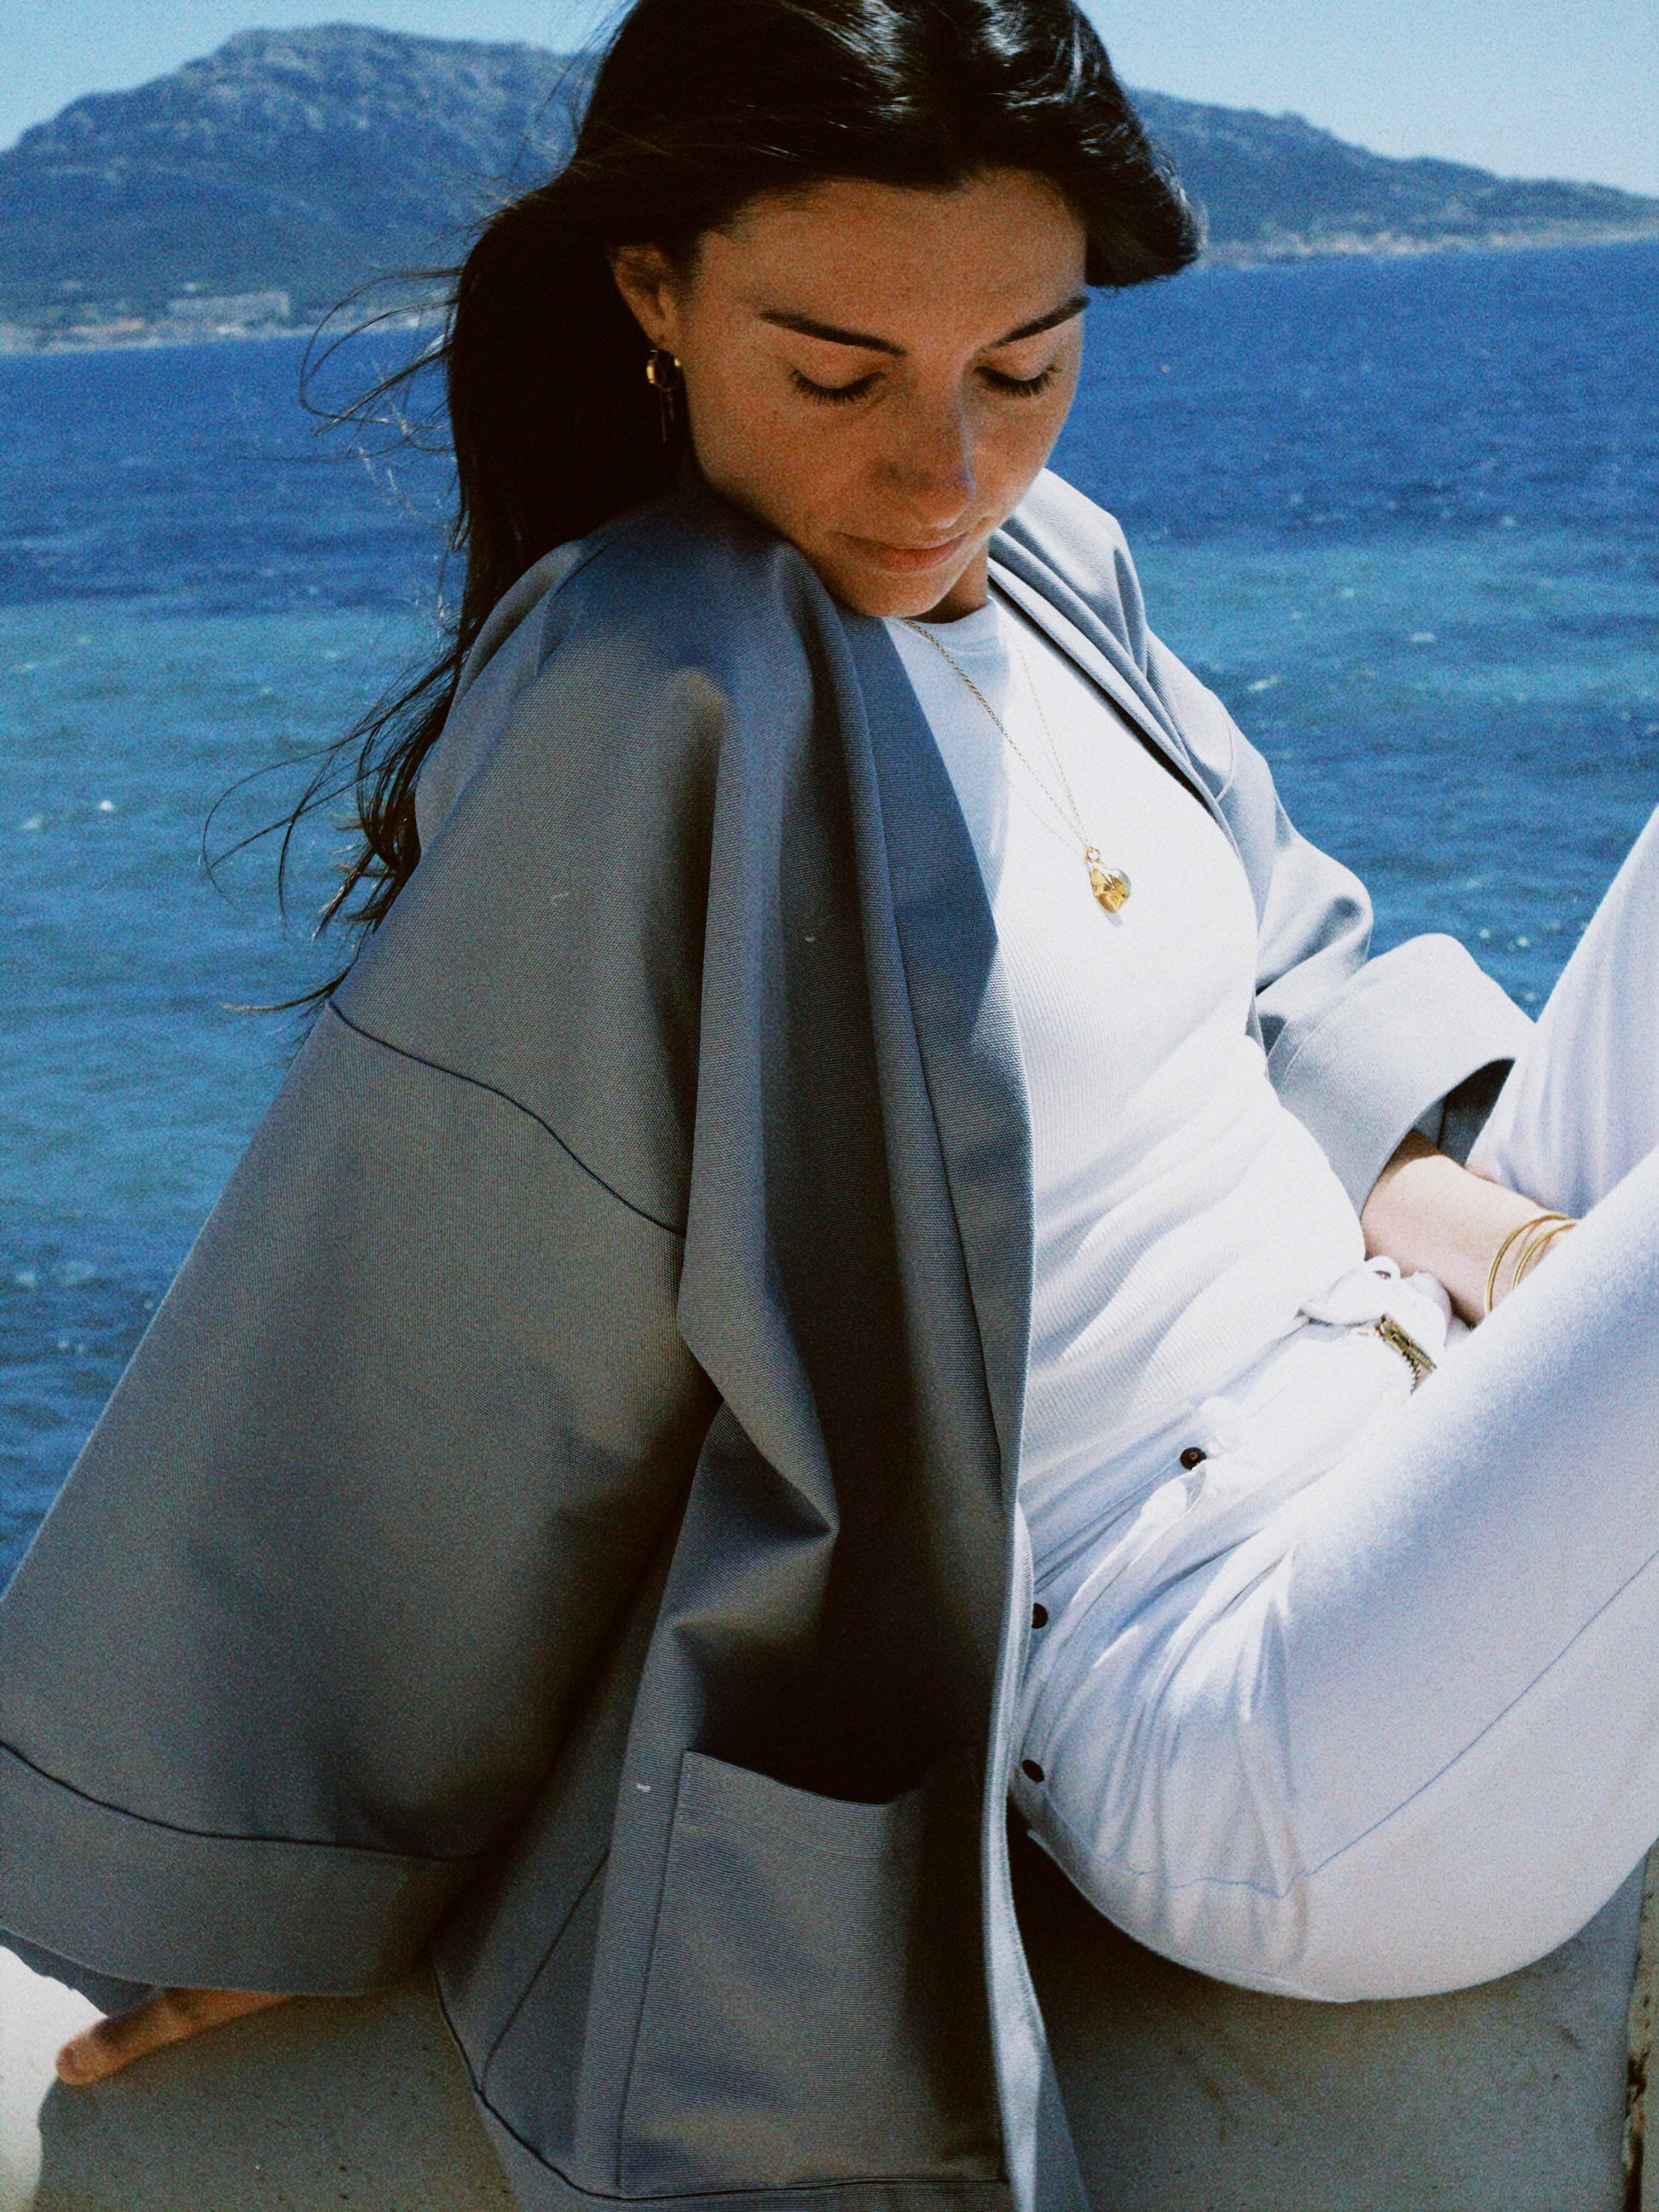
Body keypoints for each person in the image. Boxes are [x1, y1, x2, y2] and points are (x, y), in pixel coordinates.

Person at [1, 0, 1656, 2205]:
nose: (944, 474)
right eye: (839, 373)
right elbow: (445, 1325)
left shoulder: (1050, 562)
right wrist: (264, 1855)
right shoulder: (643, 710)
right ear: (654, 296)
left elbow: (1276, 965)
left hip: (1417, 1367)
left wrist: (1503, 1245)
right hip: (1242, 1679)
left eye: (1023, 360)